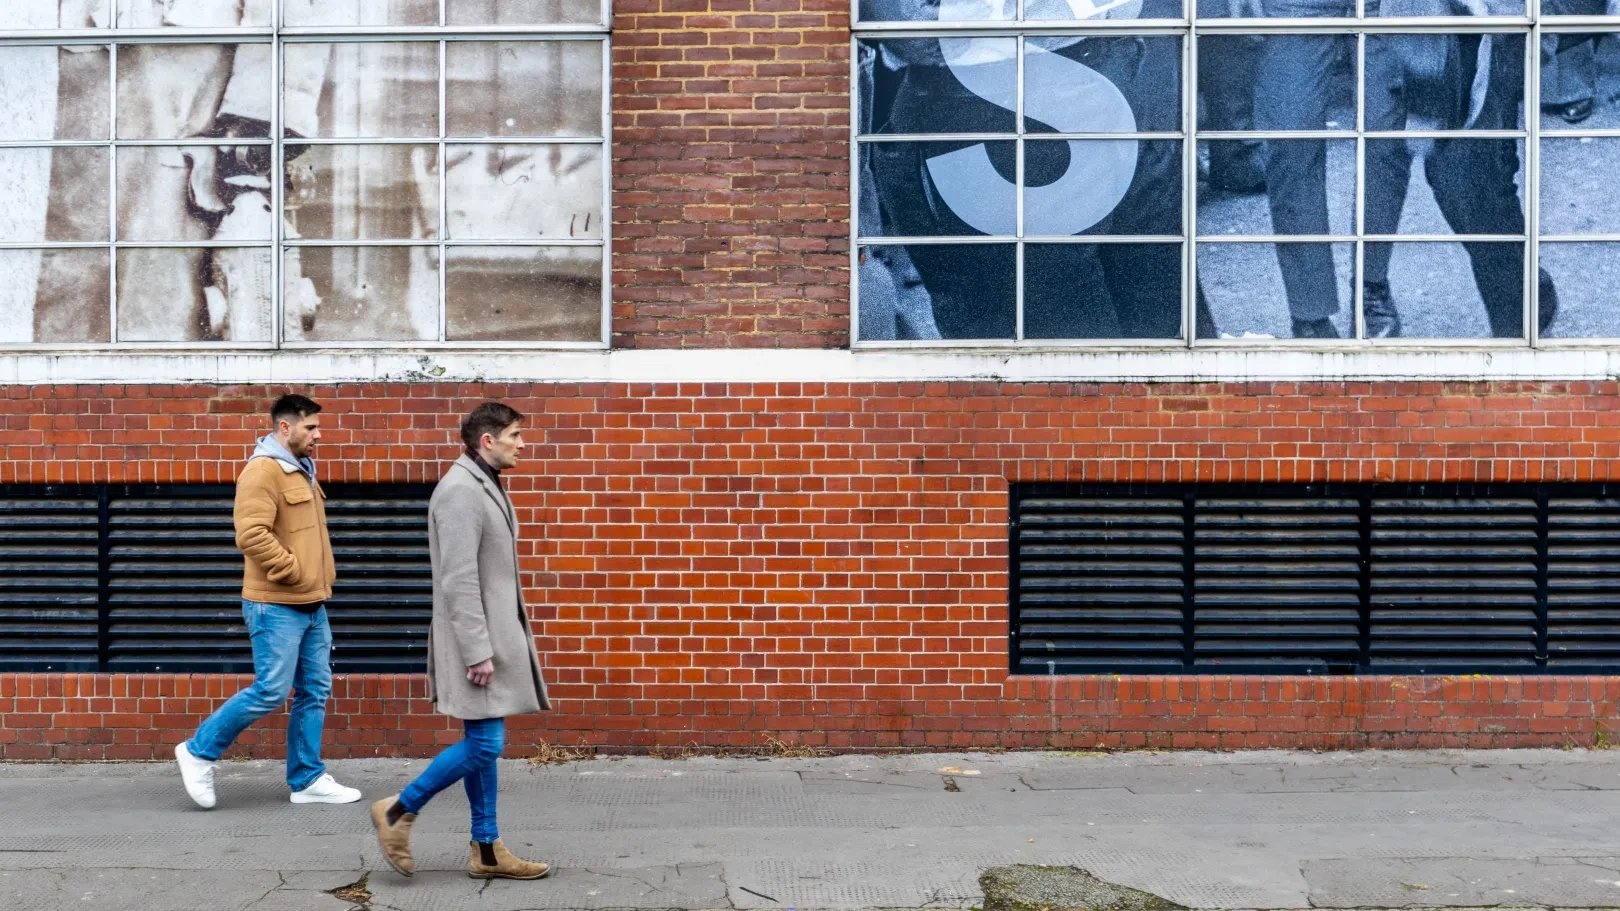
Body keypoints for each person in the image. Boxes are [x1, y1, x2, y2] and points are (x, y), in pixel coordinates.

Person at [370, 402, 552, 881]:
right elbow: (458, 578)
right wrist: (477, 650)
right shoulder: (459, 492)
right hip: (475, 643)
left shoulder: (482, 483)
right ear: (487, 440)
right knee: (486, 745)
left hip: (487, 637)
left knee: (482, 741)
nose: (522, 443)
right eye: (514, 434)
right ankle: (397, 811)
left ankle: (487, 850)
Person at [174, 394, 361, 809]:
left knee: (314, 690)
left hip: (312, 604)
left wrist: (316, 580)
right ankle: (197, 752)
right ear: (284, 427)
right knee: (271, 690)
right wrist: (292, 571)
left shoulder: (301, 470)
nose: (318, 434)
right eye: (310, 427)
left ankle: (307, 779)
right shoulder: (263, 471)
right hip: (276, 604)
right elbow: (251, 534)